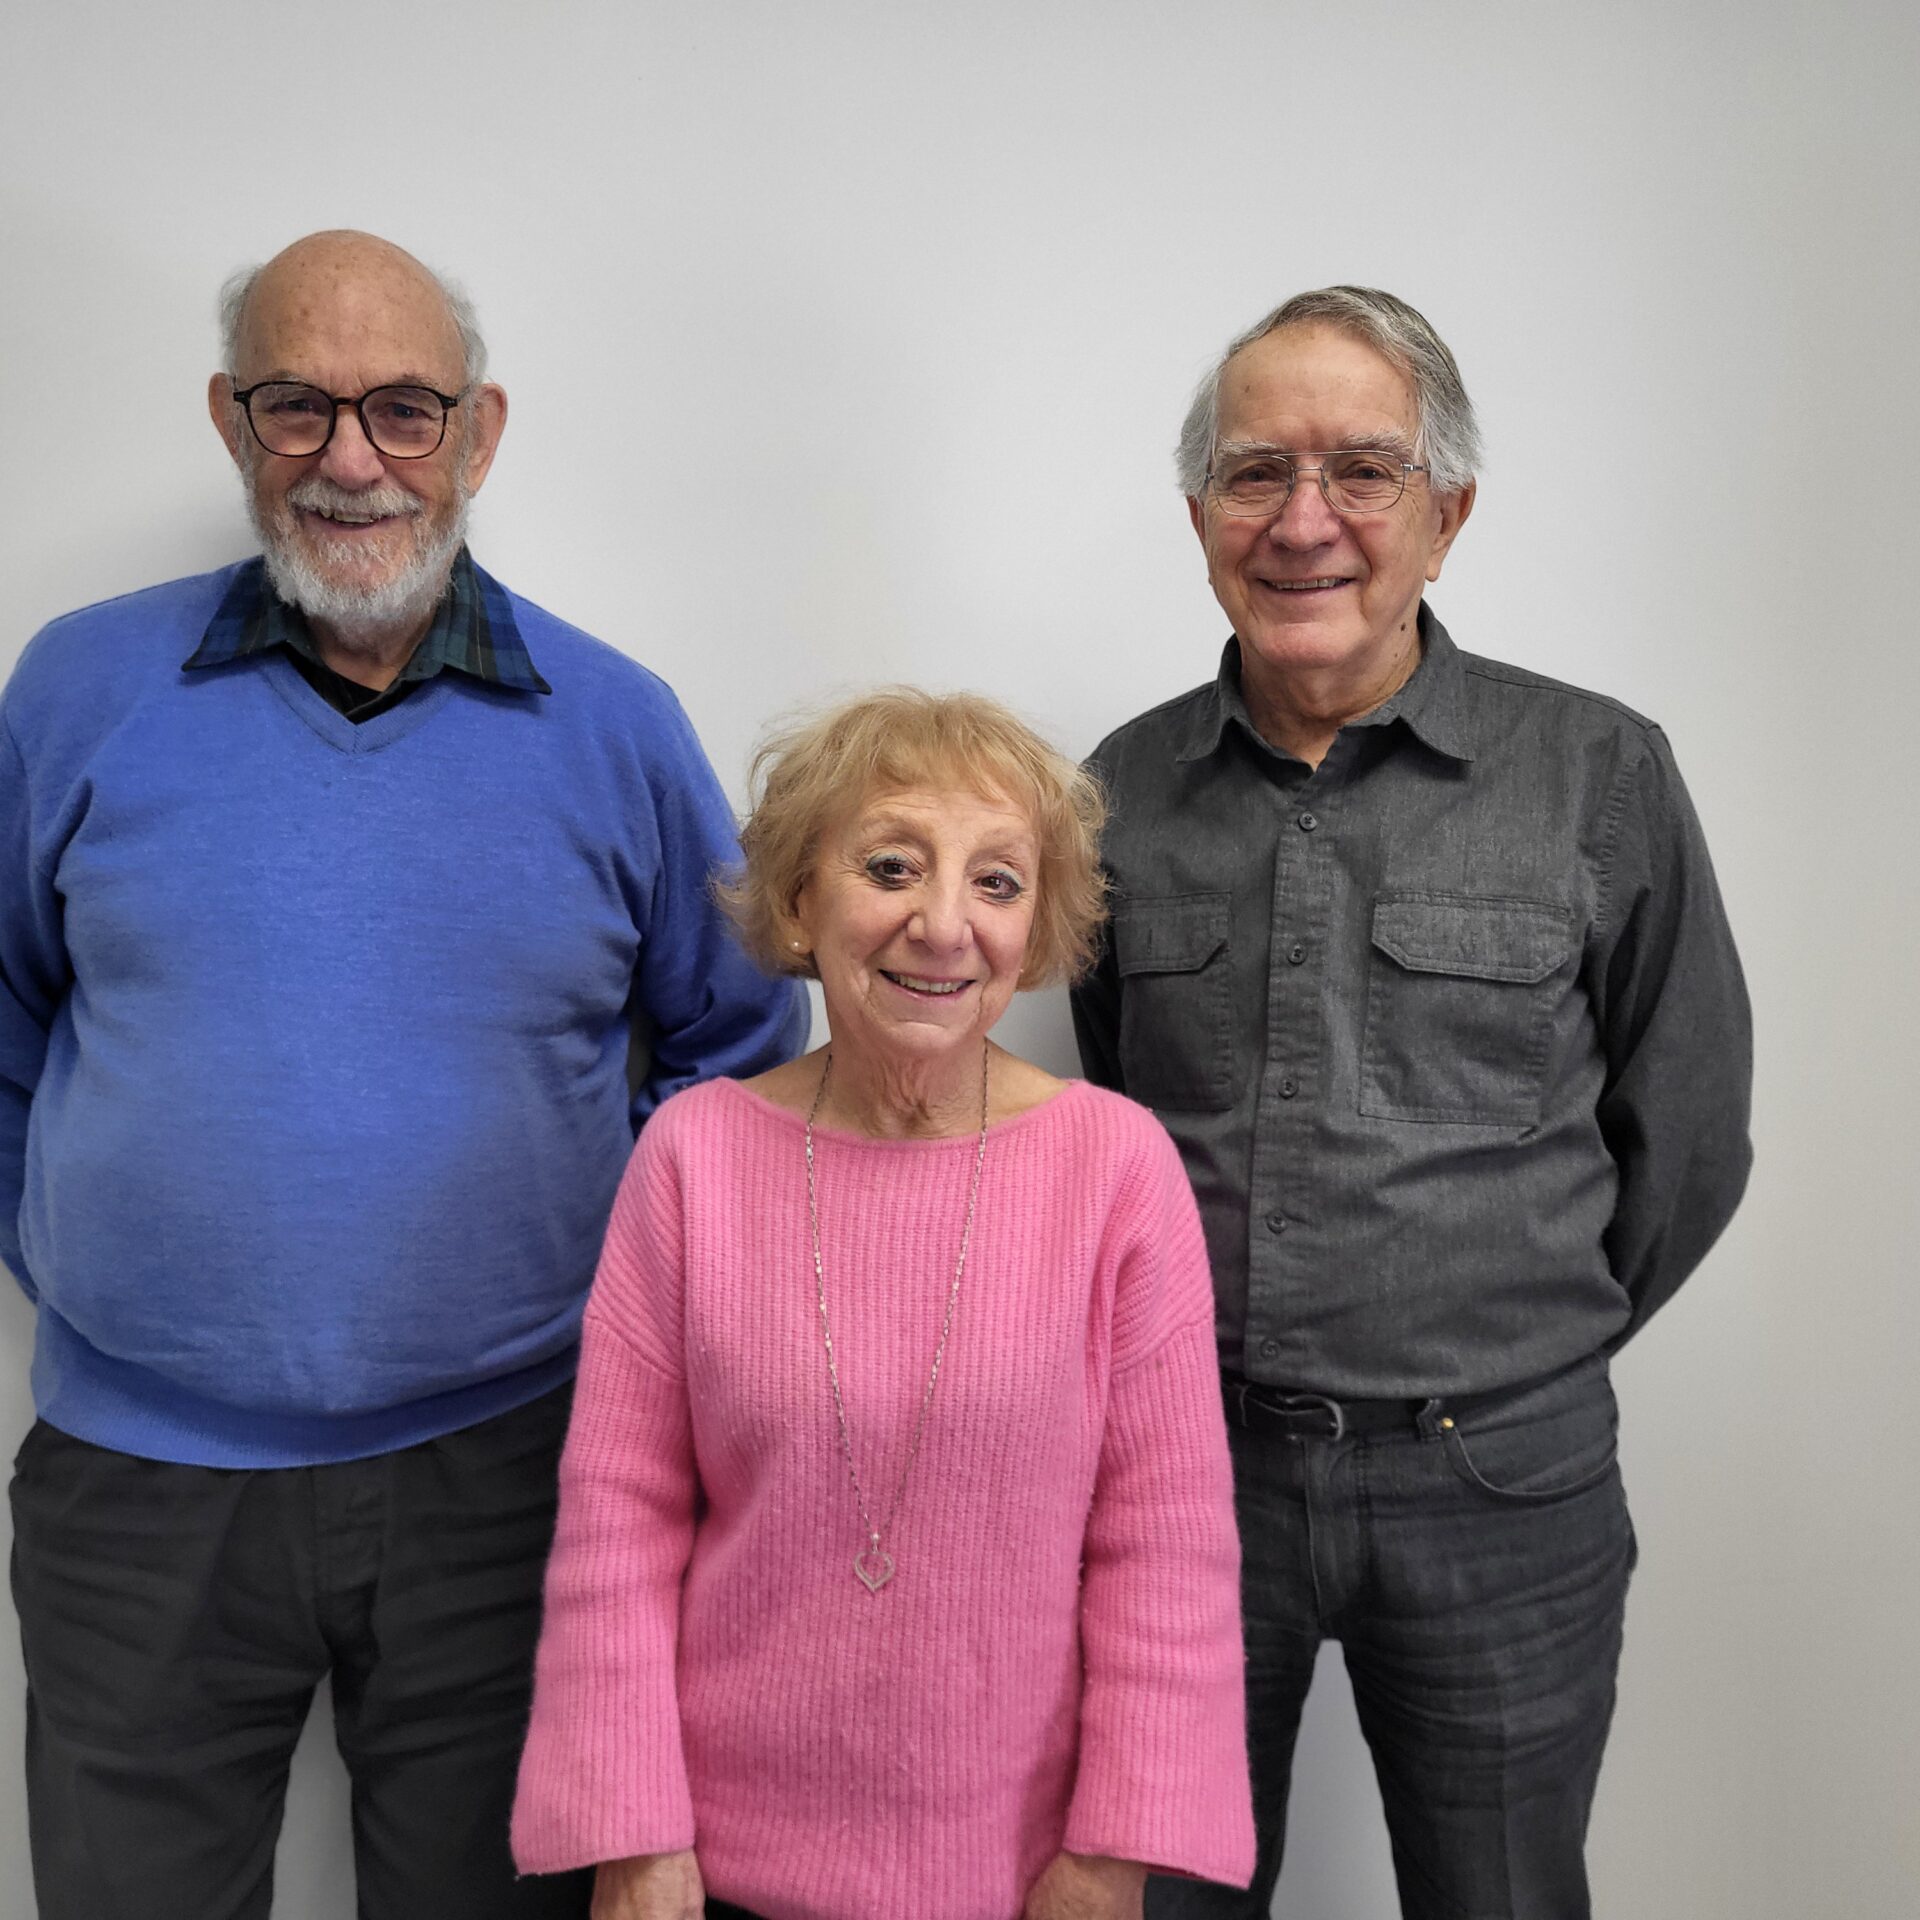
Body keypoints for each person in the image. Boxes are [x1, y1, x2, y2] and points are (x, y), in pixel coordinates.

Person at [0, 230, 807, 1920]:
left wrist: (597, 1293)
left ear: (479, 432)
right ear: (229, 419)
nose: (350, 459)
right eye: (297, 405)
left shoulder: (614, 723)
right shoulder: (76, 687)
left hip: (513, 1483)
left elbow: (738, 1053)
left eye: (403, 410)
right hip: (138, 1491)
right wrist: (86, 1257)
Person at [1071, 287, 1753, 1919]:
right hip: (1190, 1484)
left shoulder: (1598, 774)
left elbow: (1689, 1137)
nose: (1304, 520)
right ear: (1199, 516)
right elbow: (1113, 1112)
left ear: (1446, 514)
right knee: (1162, 1898)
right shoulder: (1118, 794)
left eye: (1362, 470)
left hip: (1501, 1488)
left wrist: (1503, 1351)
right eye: (1256, 472)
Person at [510, 689, 1256, 1920]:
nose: (943, 924)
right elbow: (618, 1526)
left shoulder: (1117, 1171)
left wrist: (1115, 1853)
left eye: (997, 883)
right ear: (802, 901)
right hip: (714, 1874)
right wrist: (629, 1835)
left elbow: (1165, 1550)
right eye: (892, 866)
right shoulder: (693, 1159)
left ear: (1037, 928)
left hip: (1033, 1881)